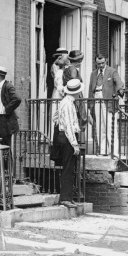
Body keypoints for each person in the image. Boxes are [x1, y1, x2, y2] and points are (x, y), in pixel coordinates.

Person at [88, 54, 125, 157]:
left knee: (110, 126)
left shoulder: (112, 71)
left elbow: (118, 81)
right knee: (100, 126)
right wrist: (89, 105)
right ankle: (103, 150)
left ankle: (114, 152)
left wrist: (120, 89)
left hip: (108, 101)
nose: (100, 65)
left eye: (102, 63)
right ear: (96, 63)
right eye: (98, 63)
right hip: (96, 99)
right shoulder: (93, 74)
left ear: (106, 61)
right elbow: (90, 89)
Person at [55, 78, 83, 209]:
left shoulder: (66, 102)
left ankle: (68, 197)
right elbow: (68, 126)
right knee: (68, 168)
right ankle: (65, 198)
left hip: (66, 136)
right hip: (67, 137)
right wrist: (74, 143)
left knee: (70, 167)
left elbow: (56, 117)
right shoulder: (67, 104)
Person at [0, 65, 21, 148]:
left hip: (4, 121)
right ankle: (1, 161)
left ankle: (7, 161)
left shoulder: (8, 86)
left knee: (4, 146)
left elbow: (17, 98)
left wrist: (6, 110)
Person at [62, 50, 88, 130]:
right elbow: (74, 82)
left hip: (68, 95)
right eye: (80, 61)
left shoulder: (66, 69)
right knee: (78, 116)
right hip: (75, 95)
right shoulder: (73, 69)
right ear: (78, 61)